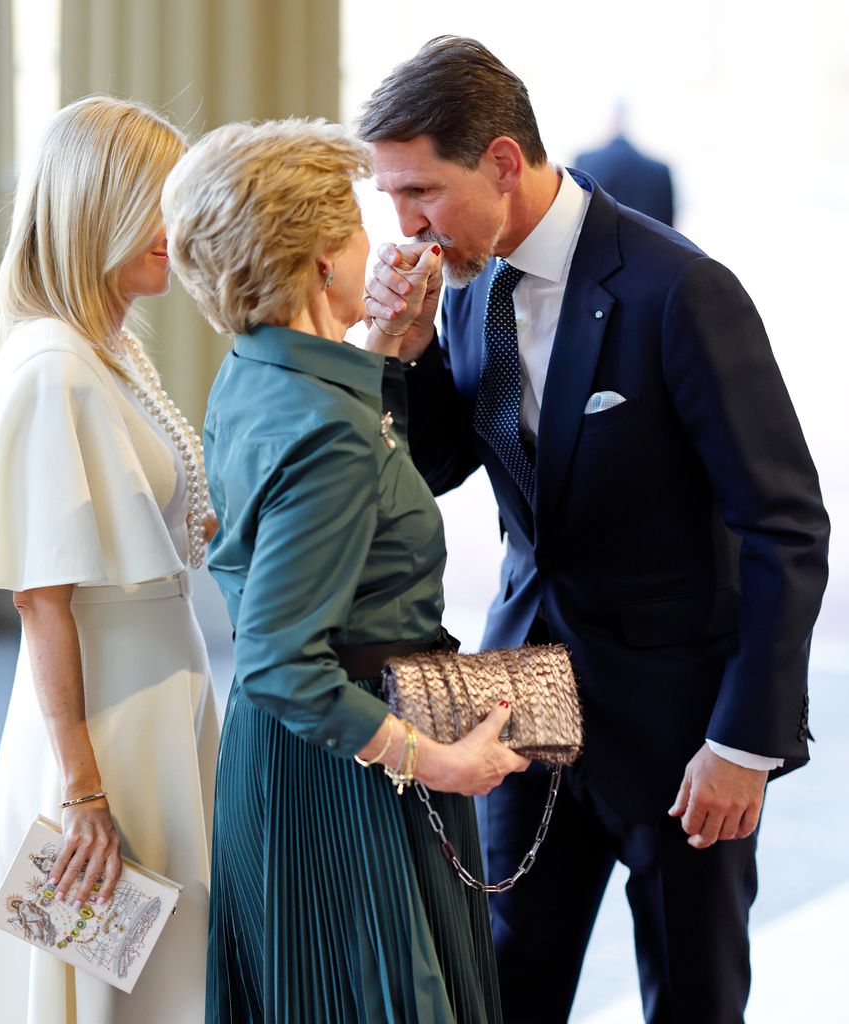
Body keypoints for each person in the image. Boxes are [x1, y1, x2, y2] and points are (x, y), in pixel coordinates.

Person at [357, 35, 830, 1024]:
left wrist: (744, 742)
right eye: (389, 197)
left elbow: (781, 524)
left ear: (497, 161)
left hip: (675, 715)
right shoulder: (464, 284)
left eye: (417, 192)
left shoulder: (679, 291)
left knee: (690, 991)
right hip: (519, 695)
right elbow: (442, 465)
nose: (401, 226)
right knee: (500, 979)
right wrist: (397, 357)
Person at [161, 116, 529, 1024]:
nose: (388, 240)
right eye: (362, 222)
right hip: (350, 781)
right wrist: (437, 763)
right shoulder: (326, 425)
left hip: (296, 761)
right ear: (321, 260)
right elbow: (288, 660)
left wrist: (391, 354)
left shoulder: (256, 370)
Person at [0, 96, 220, 1024]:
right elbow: (41, 599)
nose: (176, 230)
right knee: (109, 986)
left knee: (160, 982)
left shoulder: (111, 350)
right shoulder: (53, 365)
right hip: (102, 729)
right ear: (95, 206)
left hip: (158, 699)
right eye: (159, 202)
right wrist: (85, 791)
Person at [575, 131, 674, 226]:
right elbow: (669, 227)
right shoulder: (660, 170)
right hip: (648, 240)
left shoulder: (585, 162)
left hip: (596, 239)